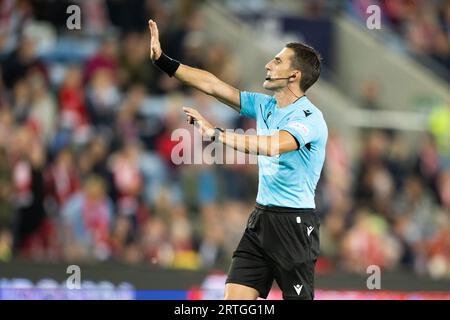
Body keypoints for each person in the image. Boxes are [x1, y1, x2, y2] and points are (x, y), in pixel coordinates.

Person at [148, 19, 327, 300]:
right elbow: (213, 85)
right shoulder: (265, 105)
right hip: (261, 219)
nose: (268, 64)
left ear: (294, 75)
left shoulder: (310, 118)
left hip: (294, 225)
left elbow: (272, 146)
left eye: (277, 61)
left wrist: (218, 134)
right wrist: (163, 61)